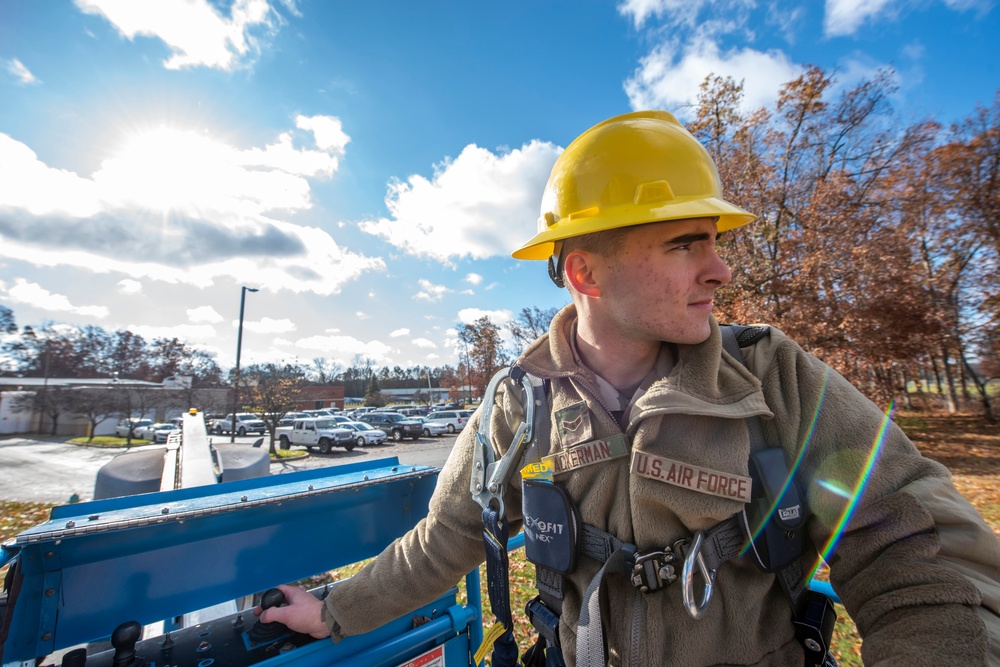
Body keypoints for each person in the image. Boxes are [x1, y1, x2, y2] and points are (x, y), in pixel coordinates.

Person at [257, 111, 1000, 665]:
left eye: (715, 239)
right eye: (686, 243)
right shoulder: (519, 404)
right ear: (586, 272)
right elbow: (447, 536)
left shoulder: (773, 376)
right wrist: (331, 611)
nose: (721, 269)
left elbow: (914, 549)